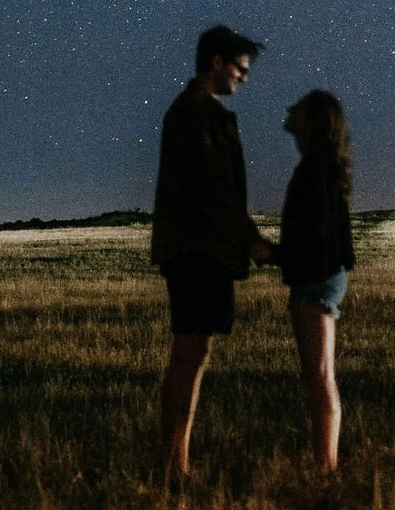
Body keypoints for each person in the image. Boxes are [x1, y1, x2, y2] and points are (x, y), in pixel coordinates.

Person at [151, 25, 274, 481]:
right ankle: (173, 466)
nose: (243, 78)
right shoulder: (195, 114)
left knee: (194, 350)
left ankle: (175, 462)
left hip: (199, 248)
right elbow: (212, 189)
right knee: (189, 351)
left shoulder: (201, 112)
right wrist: (250, 240)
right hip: (196, 251)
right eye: (239, 69)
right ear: (217, 62)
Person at [279, 89, 355, 474]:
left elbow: (316, 238)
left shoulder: (316, 169)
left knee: (321, 376)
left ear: (312, 120)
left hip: (317, 280)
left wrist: (276, 255)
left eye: (299, 106)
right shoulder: (320, 166)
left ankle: (326, 470)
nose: (289, 108)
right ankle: (324, 466)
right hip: (319, 277)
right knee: (318, 375)